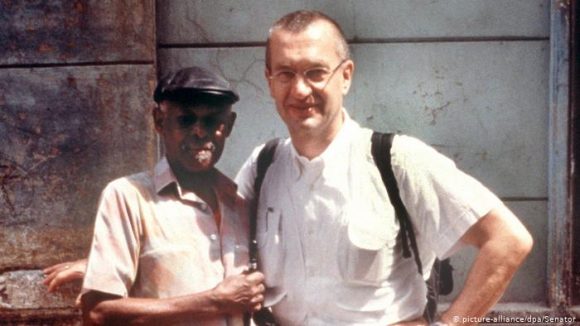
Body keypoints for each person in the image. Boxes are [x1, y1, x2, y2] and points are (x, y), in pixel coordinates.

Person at [234, 10, 533, 325]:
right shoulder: (261, 167)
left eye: (315, 72)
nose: (299, 90)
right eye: (285, 74)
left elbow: (508, 240)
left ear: (346, 75)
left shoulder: (395, 161)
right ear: (269, 81)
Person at [78, 66, 265, 326]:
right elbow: (98, 313)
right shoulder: (129, 197)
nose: (200, 132)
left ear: (229, 126)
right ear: (159, 121)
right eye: (186, 120)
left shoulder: (241, 203)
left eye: (212, 122)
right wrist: (214, 301)